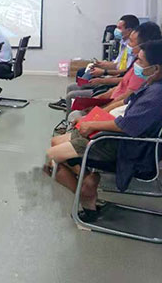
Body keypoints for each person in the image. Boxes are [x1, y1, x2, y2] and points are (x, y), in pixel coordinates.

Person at [45, 40, 162, 222]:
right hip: (118, 138)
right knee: (55, 143)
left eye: (140, 61)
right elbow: (126, 104)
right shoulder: (152, 84)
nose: (135, 64)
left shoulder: (156, 95)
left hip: (120, 145)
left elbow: (125, 125)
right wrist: (91, 119)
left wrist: (93, 125)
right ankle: (87, 183)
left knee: (51, 158)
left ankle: (85, 195)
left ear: (155, 68)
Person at [66, 22, 161, 122]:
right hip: (111, 99)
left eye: (132, 41)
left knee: (74, 108)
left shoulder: (144, 74)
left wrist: (98, 110)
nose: (128, 44)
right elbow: (122, 80)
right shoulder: (137, 61)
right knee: (82, 77)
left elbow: (124, 100)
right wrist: (101, 98)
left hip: (113, 109)